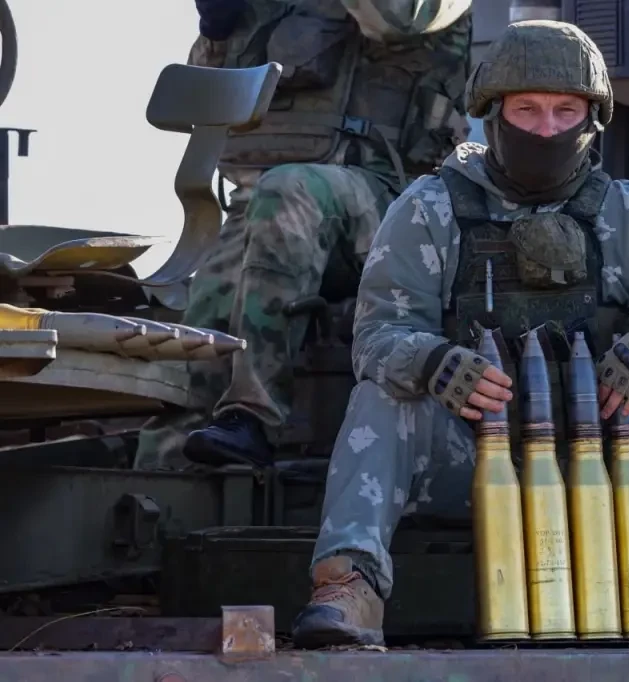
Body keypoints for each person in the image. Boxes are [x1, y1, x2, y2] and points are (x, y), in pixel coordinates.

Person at [290, 19, 629, 649]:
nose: (547, 130)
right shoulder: (430, 209)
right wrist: (433, 362)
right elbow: (376, 340)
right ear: (493, 115)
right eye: (527, 110)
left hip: (609, 460)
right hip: (471, 460)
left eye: (565, 111)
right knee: (382, 395)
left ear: (592, 119)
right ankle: (350, 587)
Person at [132, 0, 473, 471]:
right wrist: (216, 28)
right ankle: (159, 479)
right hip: (265, 207)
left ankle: (253, 415)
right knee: (203, 328)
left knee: (289, 189)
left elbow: (400, 17)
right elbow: (212, 92)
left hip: (397, 207)